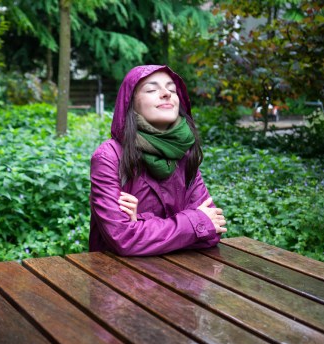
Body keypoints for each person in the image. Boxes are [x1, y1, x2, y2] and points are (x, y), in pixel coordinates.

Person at [89, 65, 227, 255]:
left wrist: (142, 222)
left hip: (182, 277)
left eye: (172, 89)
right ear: (130, 102)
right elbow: (123, 239)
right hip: (118, 277)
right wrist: (194, 224)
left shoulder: (184, 154)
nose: (166, 94)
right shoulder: (109, 157)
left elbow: (212, 231)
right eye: (152, 89)